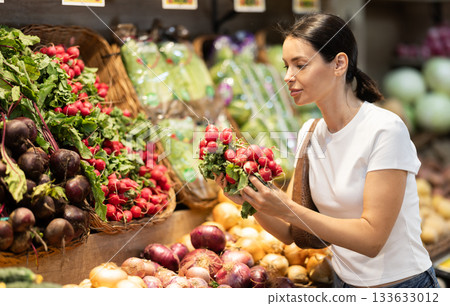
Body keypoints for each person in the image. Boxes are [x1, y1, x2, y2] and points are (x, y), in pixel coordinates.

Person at [216, 13, 439, 288]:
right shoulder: (310, 133)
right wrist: (250, 201)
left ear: (339, 64)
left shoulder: (384, 129)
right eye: (286, 66)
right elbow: (291, 232)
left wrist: (286, 208)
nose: (288, 77)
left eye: (300, 65)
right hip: (342, 284)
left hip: (402, 287)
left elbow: (372, 240)